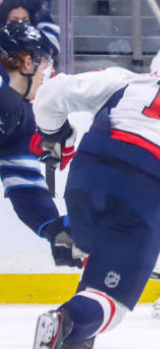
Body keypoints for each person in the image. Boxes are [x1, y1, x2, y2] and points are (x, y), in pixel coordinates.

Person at [30, 42, 160, 349]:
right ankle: (65, 320)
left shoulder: (125, 80)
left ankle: (76, 234)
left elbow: (49, 94)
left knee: (99, 248)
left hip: (90, 167)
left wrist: (55, 135)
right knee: (112, 301)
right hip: (147, 188)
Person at [0, 21, 81, 268]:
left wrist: (56, 229)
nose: (48, 73)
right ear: (27, 62)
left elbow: (25, 187)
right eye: (45, 63)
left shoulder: (22, 119)